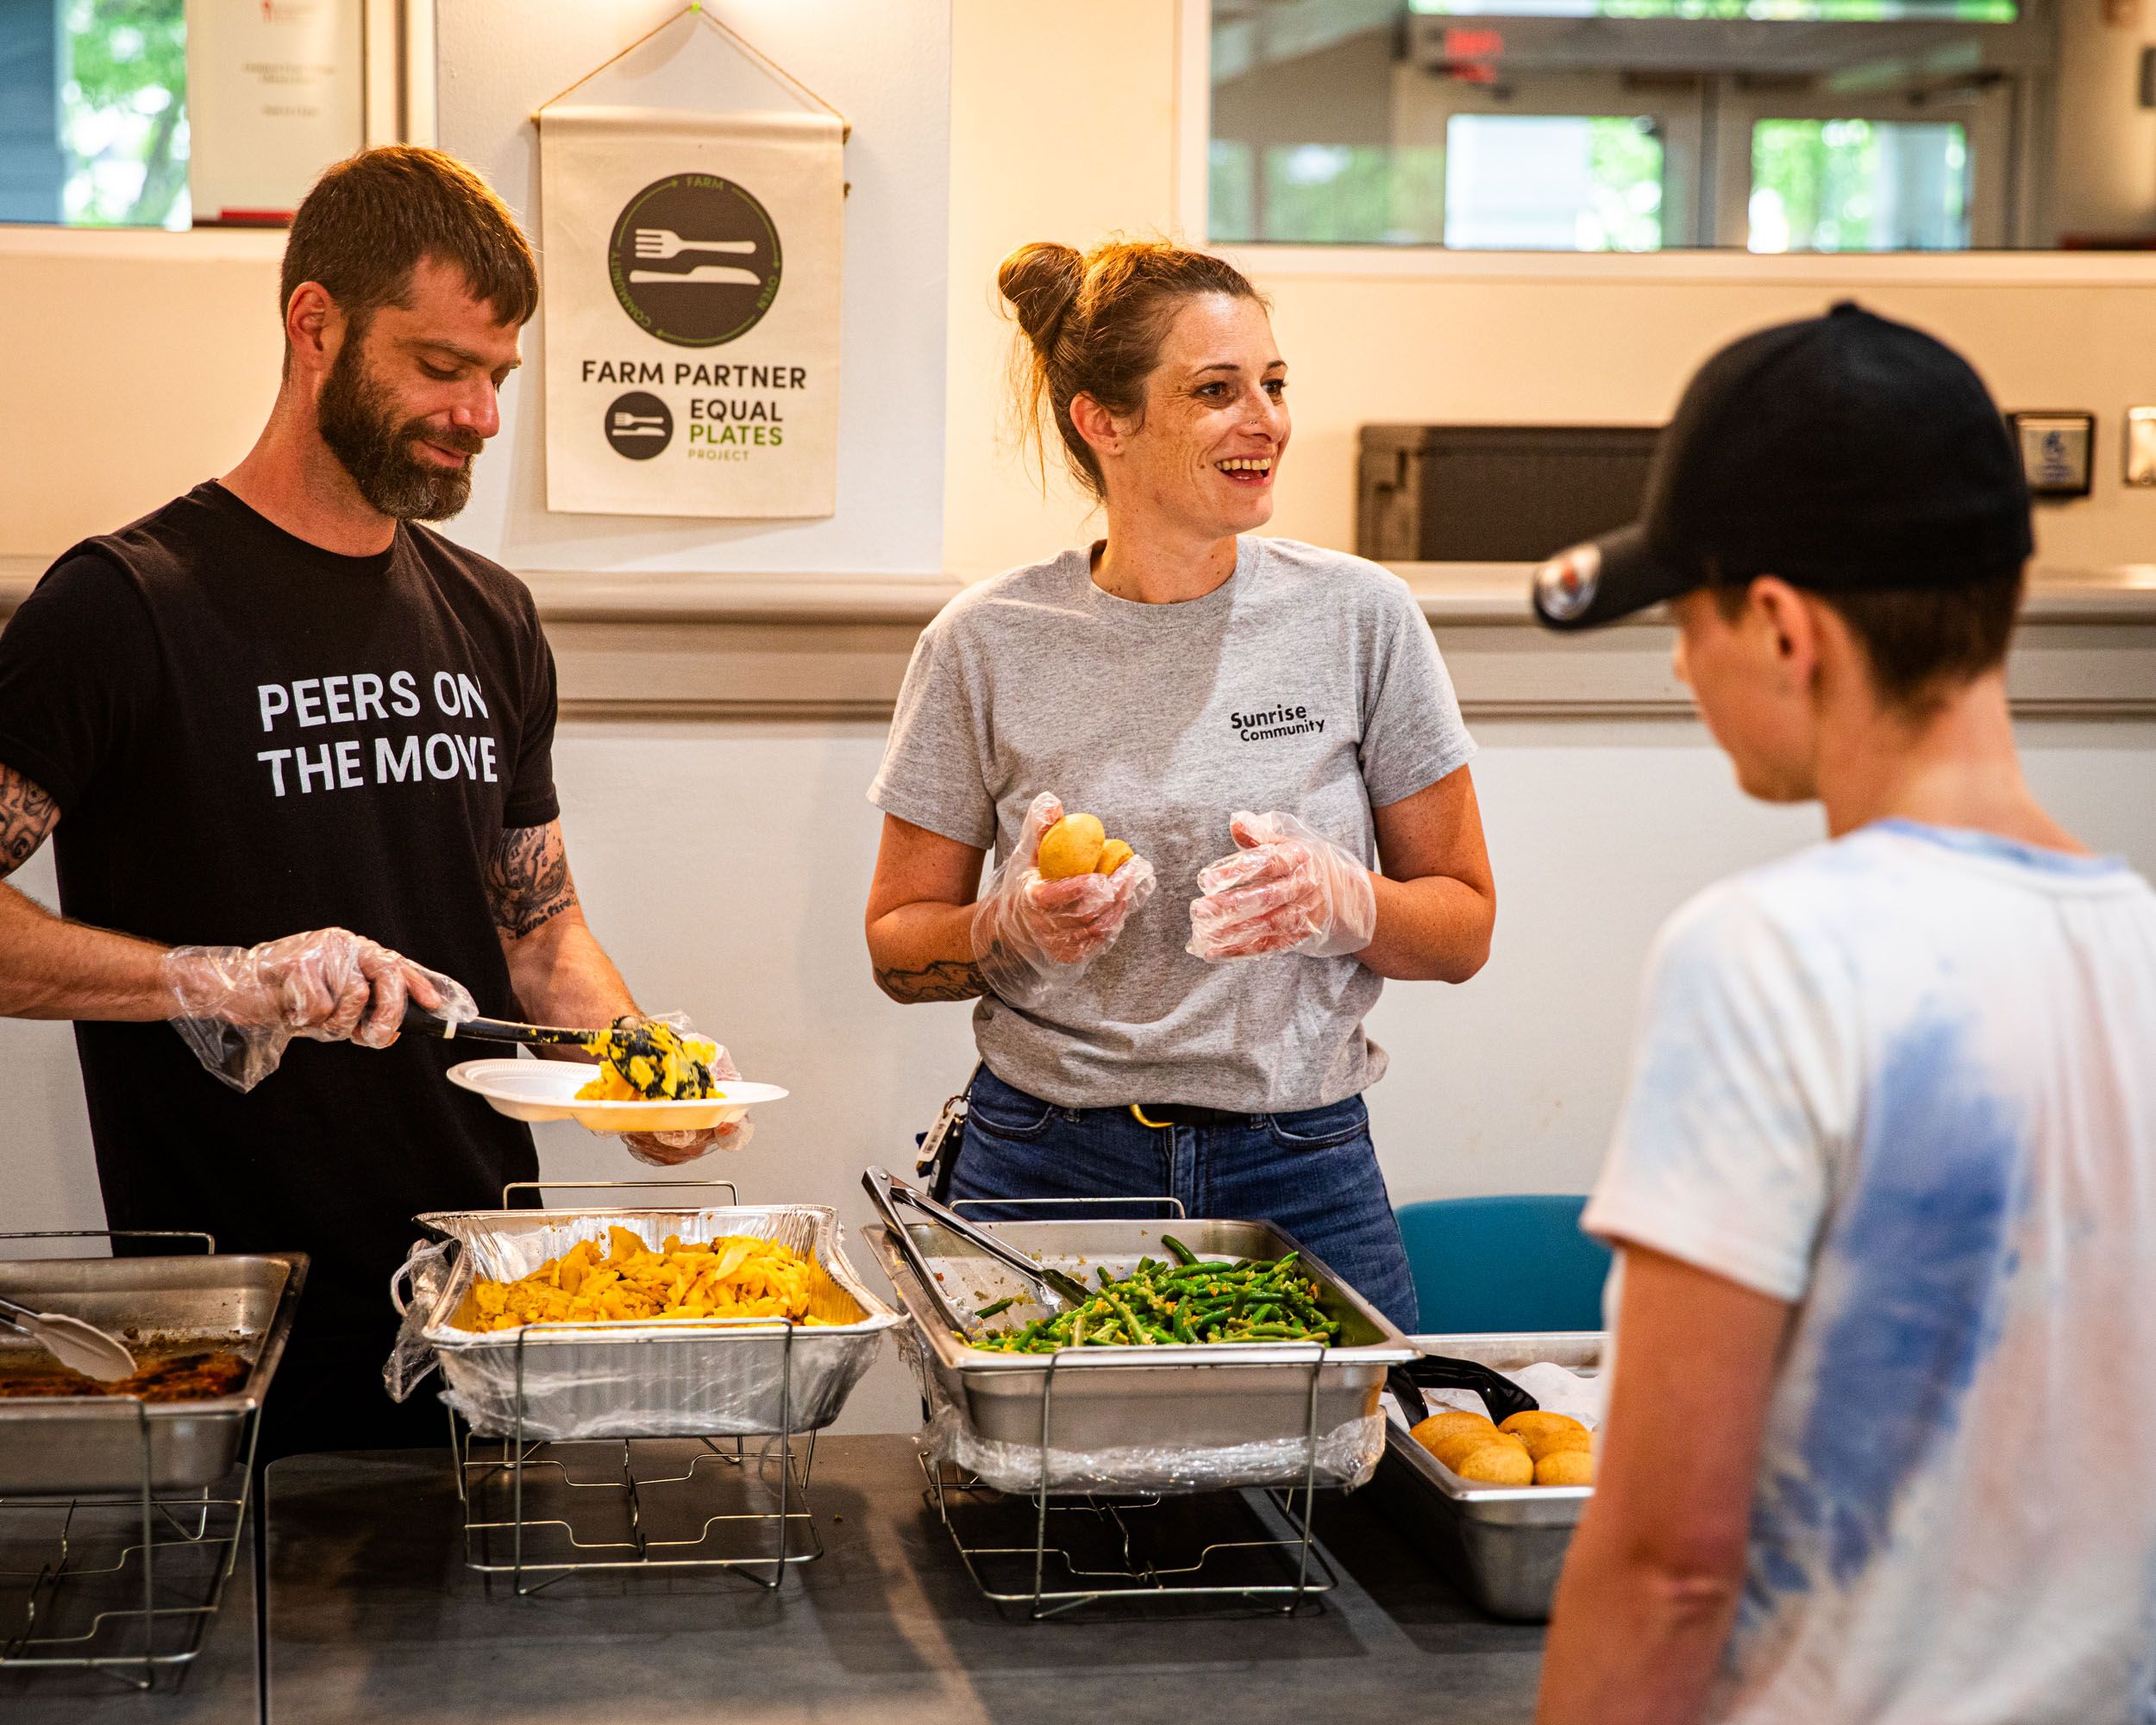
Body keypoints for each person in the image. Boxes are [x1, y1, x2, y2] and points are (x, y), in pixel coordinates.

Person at [0, 147, 743, 1458]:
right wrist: (220, 980)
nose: (480, 417)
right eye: (442, 367)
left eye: (497, 377)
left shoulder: (494, 617)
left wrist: (643, 1072)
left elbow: (540, 929)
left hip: (477, 1290)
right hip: (231, 1319)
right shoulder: (124, 607)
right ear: (315, 327)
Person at [1531, 303, 2156, 1723]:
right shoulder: (2139, 949)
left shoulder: (1769, 959)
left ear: (1780, 626)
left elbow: (1670, 1565)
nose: (1682, 667)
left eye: (1686, 623)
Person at [862, 240, 1495, 1327]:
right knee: (1034, 1492)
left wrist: (1344, 901)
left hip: (1302, 1162)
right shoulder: (987, 640)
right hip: (1045, 1157)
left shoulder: (1360, 617)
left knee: (1343, 1490)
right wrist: (1003, 929)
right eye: (1215, 391)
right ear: (1100, 420)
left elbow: (1463, 927)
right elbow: (894, 945)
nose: (1266, 420)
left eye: (1274, 383)